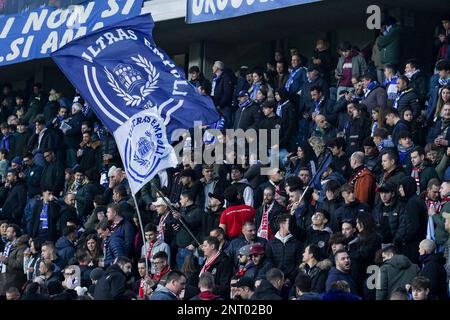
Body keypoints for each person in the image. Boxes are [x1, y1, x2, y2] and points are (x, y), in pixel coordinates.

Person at [397, 176, 428, 264]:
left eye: (402, 187)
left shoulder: (412, 203)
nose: (399, 189)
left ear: (408, 187)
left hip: (413, 245)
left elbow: (413, 226)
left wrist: (404, 239)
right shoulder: (416, 200)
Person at [266, 214, 302, 283]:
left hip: (292, 281)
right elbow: (269, 263)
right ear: (282, 224)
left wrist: (290, 279)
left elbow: (298, 264)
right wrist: (275, 278)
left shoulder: (297, 243)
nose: (293, 226)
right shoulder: (270, 243)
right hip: (274, 280)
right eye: (290, 223)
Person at [172, 191, 202, 270]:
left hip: (189, 250)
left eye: (181, 199)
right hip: (180, 249)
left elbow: (194, 227)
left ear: (187, 198)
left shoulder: (198, 211)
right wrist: (177, 228)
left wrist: (194, 244)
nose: (180, 201)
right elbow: (184, 227)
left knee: (188, 276)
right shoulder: (182, 211)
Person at [0, 225, 27, 296]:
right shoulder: (8, 245)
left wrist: (4, 259)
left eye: (8, 231)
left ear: (14, 233)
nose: (6, 233)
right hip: (5, 278)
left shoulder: (22, 247)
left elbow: (19, 264)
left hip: (14, 280)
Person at [211, 61, 234, 127]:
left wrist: (220, 104)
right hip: (216, 107)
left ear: (217, 68)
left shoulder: (226, 78)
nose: (212, 68)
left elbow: (227, 94)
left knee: (225, 126)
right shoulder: (214, 78)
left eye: (213, 66)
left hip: (224, 108)